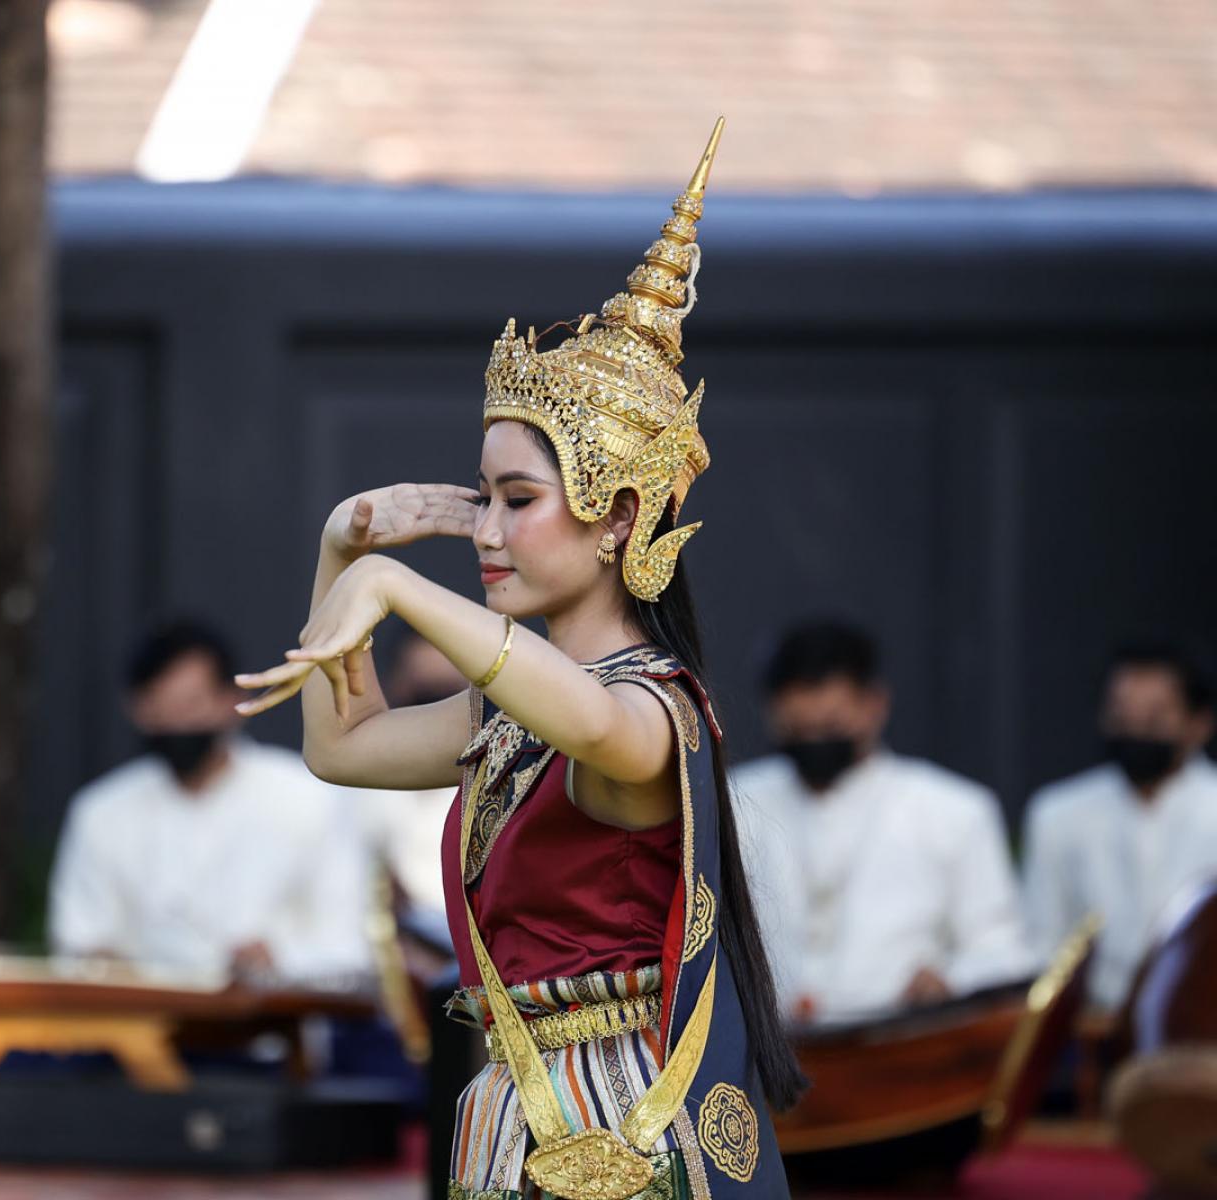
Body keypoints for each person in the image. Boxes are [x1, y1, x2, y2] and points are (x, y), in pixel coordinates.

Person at [237, 120, 800, 1200]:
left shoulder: (649, 714)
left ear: (617, 517)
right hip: (514, 1106)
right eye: (481, 497)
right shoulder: (510, 718)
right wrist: (339, 548)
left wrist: (405, 590)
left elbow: (589, 726)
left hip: (614, 1130)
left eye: (518, 501)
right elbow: (339, 746)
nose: (485, 530)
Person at [732, 621, 1035, 1026]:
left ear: (875, 705)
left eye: (830, 728)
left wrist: (948, 980)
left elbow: (1003, 951)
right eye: (797, 731)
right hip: (766, 1053)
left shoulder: (953, 809)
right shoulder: (735, 802)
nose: (814, 742)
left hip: (901, 1050)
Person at [47, 620, 370, 984]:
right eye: (159, 709)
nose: (178, 725)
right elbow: (79, 943)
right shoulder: (101, 813)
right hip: (143, 1028)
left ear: (231, 700)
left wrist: (277, 958)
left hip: (278, 1025)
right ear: (136, 710)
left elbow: (350, 950)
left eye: (190, 705)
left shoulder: (308, 798)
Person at [1022, 642, 1217, 1011]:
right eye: (1123, 717)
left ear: (1199, 723)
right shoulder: (1059, 814)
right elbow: (1042, 944)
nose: (1137, 731)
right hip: (1094, 1030)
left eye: (1154, 719)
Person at [355, 628, 470, 930]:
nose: (435, 714)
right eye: (424, 694)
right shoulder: (350, 785)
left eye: (448, 695)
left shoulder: (508, 781)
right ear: (396, 687)